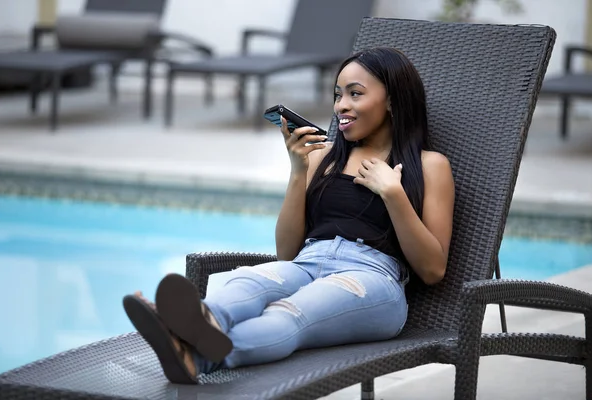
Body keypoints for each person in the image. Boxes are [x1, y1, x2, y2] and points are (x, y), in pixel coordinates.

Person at [122, 46, 455, 384]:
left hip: (372, 279)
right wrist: (298, 171)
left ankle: (195, 355)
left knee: (289, 313)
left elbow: (432, 269)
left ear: (392, 100)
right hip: (306, 263)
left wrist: (393, 194)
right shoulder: (320, 157)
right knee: (245, 281)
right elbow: (287, 254)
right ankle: (198, 328)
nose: (341, 105)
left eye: (356, 94)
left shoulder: (430, 166)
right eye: (338, 95)